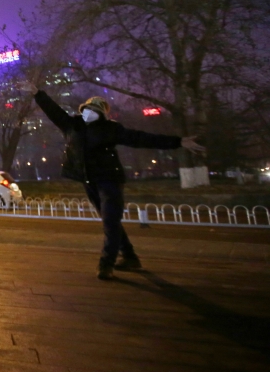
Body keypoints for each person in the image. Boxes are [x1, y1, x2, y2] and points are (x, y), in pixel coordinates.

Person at [25, 84, 206, 280]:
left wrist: (178, 142)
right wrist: (37, 93)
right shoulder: (72, 126)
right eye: (85, 109)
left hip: (109, 180)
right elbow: (53, 110)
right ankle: (130, 257)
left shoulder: (111, 129)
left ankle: (106, 264)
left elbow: (141, 138)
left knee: (110, 222)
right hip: (89, 181)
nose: (88, 113)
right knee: (110, 221)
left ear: (101, 114)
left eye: (93, 111)